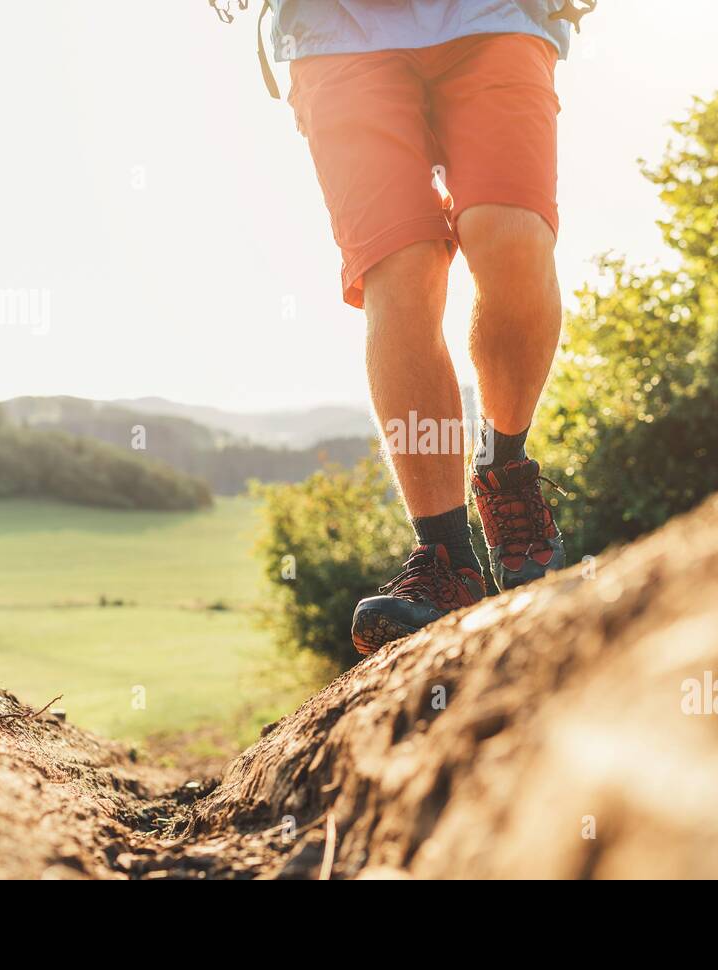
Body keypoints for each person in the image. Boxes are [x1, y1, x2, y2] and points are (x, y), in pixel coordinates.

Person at [264, 1, 591, 655]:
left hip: (498, 16)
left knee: (512, 236)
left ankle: (505, 470)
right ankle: (445, 560)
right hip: (336, 32)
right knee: (400, 271)